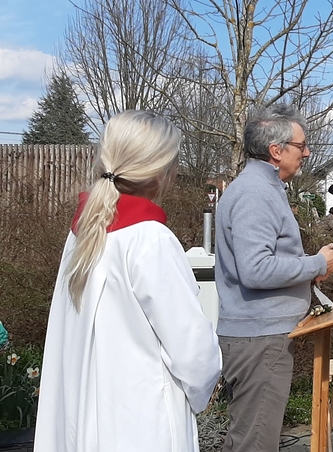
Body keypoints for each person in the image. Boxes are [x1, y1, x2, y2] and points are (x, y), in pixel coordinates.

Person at [34, 111, 222, 452]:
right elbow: (193, 352)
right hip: (143, 425)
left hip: (88, 417)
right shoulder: (151, 239)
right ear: (161, 174)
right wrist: (203, 391)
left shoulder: (83, 231)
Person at [214, 105, 333, 452]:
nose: (307, 153)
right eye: (301, 146)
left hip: (261, 338)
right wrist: (316, 264)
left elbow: (261, 262)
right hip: (260, 341)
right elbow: (255, 269)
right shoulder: (255, 193)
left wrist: (307, 273)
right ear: (276, 150)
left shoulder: (263, 188)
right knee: (255, 443)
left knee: (251, 439)